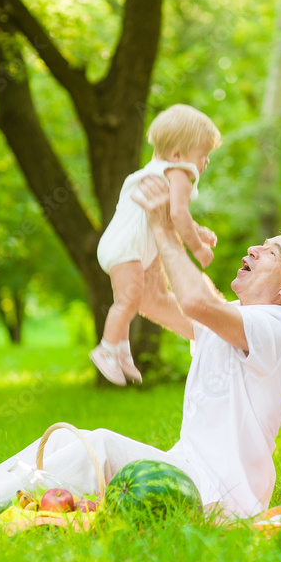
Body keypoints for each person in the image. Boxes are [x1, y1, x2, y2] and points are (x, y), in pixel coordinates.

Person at [0, 176, 281, 519]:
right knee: (85, 440)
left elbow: (196, 300)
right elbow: (154, 300)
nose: (255, 247)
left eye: (272, 252)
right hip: (191, 473)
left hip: (224, 497)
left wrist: (165, 226)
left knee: (97, 446)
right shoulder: (235, 319)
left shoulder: (278, 331)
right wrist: (137, 237)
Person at [91, 104, 222, 386]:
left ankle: (121, 352)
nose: (206, 162)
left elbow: (175, 215)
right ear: (178, 154)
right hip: (127, 248)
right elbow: (176, 214)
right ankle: (106, 349)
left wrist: (197, 231)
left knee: (134, 299)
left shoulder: (154, 170)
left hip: (124, 245)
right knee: (127, 300)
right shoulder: (180, 173)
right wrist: (197, 248)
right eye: (204, 154)